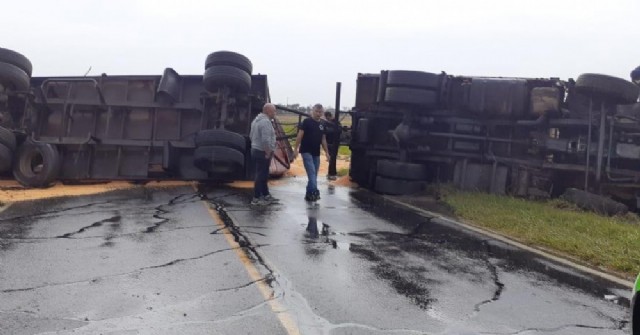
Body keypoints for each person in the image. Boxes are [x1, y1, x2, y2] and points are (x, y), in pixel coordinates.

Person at [293, 103, 331, 201]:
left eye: (320, 112)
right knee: (311, 172)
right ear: (312, 111)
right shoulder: (306, 122)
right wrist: (296, 149)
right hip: (306, 151)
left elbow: (323, 139)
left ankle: (309, 193)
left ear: (322, 113)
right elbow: (300, 135)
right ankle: (314, 191)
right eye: (316, 111)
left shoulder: (323, 124)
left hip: (316, 152)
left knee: (314, 174)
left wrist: (327, 152)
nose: (318, 114)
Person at [249, 103, 278, 206]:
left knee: (263, 174)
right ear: (267, 111)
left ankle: (265, 194)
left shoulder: (256, 120)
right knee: (261, 175)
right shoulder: (265, 122)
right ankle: (257, 198)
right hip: (263, 152)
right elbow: (266, 140)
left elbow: (251, 135)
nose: (275, 113)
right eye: (274, 111)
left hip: (255, 149)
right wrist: (268, 152)